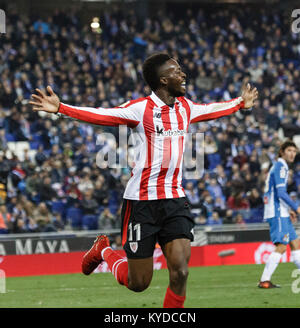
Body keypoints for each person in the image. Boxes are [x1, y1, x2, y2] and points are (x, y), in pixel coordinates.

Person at [30, 52, 258, 308]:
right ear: (163, 80)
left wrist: (240, 103)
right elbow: (102, 114)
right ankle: (103, 250)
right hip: (142, 203)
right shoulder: (140, 109)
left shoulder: (186, 107)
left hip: (174, 199)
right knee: (139, 283)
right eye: (176, 71)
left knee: (181, 272)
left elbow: (212, 109)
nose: (183, 74)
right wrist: (61, 108)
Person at [258, 140, 300, 288]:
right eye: (289, 150)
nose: (292, 154)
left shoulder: (279, 167)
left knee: (295, 244)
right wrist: (296, 207)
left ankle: (265, 280)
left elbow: (276, 192)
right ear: (282, 152)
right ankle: (264, 280)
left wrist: (288, 210)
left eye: (294, 151)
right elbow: (281, 193)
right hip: (276, 211)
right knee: (282, 246)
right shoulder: (281, 166)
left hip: (280, 210)